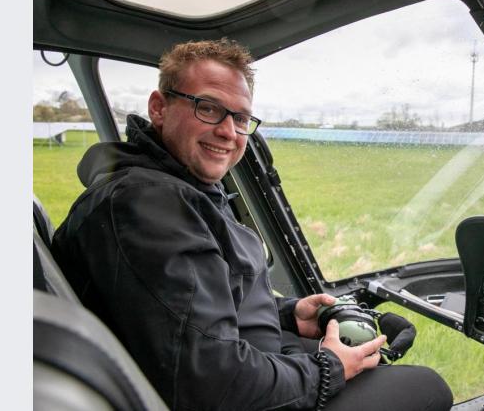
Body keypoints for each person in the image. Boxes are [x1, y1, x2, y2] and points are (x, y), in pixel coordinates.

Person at [51, 38, 453, 411]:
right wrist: (329, 368)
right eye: (207, 108)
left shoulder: (178, 188)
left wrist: (289, 314)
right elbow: (213, 382)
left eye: (241, 119)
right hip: (232, 394)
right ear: (159, 107)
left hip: (244, 363)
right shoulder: (147, 206)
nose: (227, 131)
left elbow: (186, 307)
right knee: (427, 386)